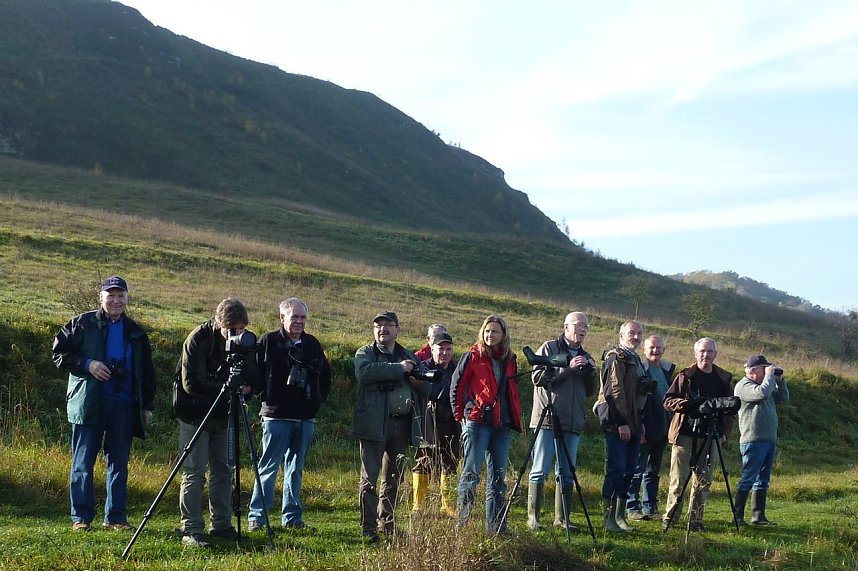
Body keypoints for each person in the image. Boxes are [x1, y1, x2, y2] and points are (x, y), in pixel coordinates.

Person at [52, 275, 156, 532]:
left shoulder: (137, 332)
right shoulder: (81, 324)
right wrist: (89, 364)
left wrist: (147, 406)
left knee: (119, 463)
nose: (116, 300)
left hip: (124, 405)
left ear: (127, 299)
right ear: (101, 298)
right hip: (88, 403)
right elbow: (59, 354)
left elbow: (147, 371)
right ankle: (81, 518)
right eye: (111, 296)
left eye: (121, 296)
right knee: (82, 462)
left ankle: (116, 518)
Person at [173, 297, 258, 547]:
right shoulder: (198, 339)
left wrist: (247, 388)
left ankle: (221, 524)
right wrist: (226, 388)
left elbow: (252, 375)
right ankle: (191, 529)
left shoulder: (245, 343)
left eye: (242, 329)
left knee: (223, 470)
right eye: (232, 330)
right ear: (219, 323)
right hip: (194, 414)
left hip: (225, 414)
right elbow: (191, 384)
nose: (237, 335)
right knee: (194, 471)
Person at [248, 297, 331, 531]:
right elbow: (254, 373)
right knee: (268, 468)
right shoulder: (268, 341)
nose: (299, 322)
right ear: (282, 317)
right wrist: (264, 397)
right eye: (294, 317)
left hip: (305, 418)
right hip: (276, 417)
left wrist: (316, 401)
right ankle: (258, 518)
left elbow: (325, 376)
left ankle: (292, 519)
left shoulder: (312, 344)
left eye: (303, 317)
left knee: (295, 470)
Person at [352, 311, 427, 543]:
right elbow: (364, 373)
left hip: (402, 425)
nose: (382, 329)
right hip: (374, 424)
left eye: (387, 325)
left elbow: (427, 390)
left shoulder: (409, 356)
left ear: (398, 329)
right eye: (378, 325)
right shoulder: (366, 352)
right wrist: (399, 369)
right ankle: (368, 527)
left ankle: (388, 523)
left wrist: (419, 382)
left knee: (394, 478)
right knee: (370, 477)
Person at [450, 315, 521, 534]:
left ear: (504, 335)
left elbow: (510, 391)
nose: (490, 335)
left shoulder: (510, 359)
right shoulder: (473, 356)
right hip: (477, 422)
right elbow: (457, 385)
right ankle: (462, 527)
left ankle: (497, 527)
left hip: (501, 425)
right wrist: (460, 415)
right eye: (487, 331)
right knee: (471, 475)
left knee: (498, 478)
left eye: (495, 332)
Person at [526, 311, 597, 531]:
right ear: (565, 327)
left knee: (567, 471)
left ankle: (562, 519)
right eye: (578, 325)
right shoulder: (549, 348)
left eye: (586, 326)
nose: (583, 329)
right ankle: (533, 518)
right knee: (540, 468)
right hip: (549, 419)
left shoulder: (585, 355)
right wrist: (568, 370)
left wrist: (592, 372)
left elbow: (590, 392)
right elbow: (538, 379)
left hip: (573, 421)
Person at [662, 337, 733, 532]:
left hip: (711, 435)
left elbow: (728, 410)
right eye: (702, 351)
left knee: (704, 481)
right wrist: (690, 405)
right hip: (685, 434)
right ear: (695, 353)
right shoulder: (686, 375)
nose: (705, 355)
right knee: (679, 479)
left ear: (715, 354)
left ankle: (695, 521)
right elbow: (668, 401)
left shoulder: (723, 379)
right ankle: (670, 518)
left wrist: (725, 433)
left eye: (710, 352)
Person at [593, 320, 647, 533]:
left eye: (639, 333)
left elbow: (637, 395)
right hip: (618, 423)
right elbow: (614, 392)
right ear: (621, 335)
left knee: (629, 469)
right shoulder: (616, 358)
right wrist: (622, 423)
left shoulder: (636, 359)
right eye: (632, 333)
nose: (636, 337)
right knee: (616, 469)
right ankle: (608, 519)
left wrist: (639, 423)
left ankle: (620, 516)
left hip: (634, 423)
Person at [733, 355, 789, 526]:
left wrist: (780, 381)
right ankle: (738, 516)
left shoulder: (765, 384)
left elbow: (783, 399)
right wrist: (770, 378)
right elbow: (763, 394)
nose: (767, 371)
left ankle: (758, 517)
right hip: (753, 440)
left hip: (768, 439)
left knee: (763, 479)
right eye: (764, 368)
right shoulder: (744, 386)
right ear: (752, 370)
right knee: (748, 478)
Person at [626, 335, 675, 520]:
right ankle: (632, 508)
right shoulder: (641, 371)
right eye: (651, 348)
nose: (655, 351)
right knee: (637, 469)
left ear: (664, 350)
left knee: (653, 471)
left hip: (662, 430)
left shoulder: (667, 371)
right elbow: (637, 402)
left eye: (658, 347)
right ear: (644, 350)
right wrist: (640, 428)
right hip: (645, 429)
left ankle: (650, 508)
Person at [411, 332, 460, 516]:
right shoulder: (422, 368)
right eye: (441, 348)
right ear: (432, 349)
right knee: (423, 460)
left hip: (451, 422)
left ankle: (447, 505)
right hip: (427, 421)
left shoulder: (457, 368)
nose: (445, 353)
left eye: (449, 349)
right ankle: (418, 505)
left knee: (450, 462)